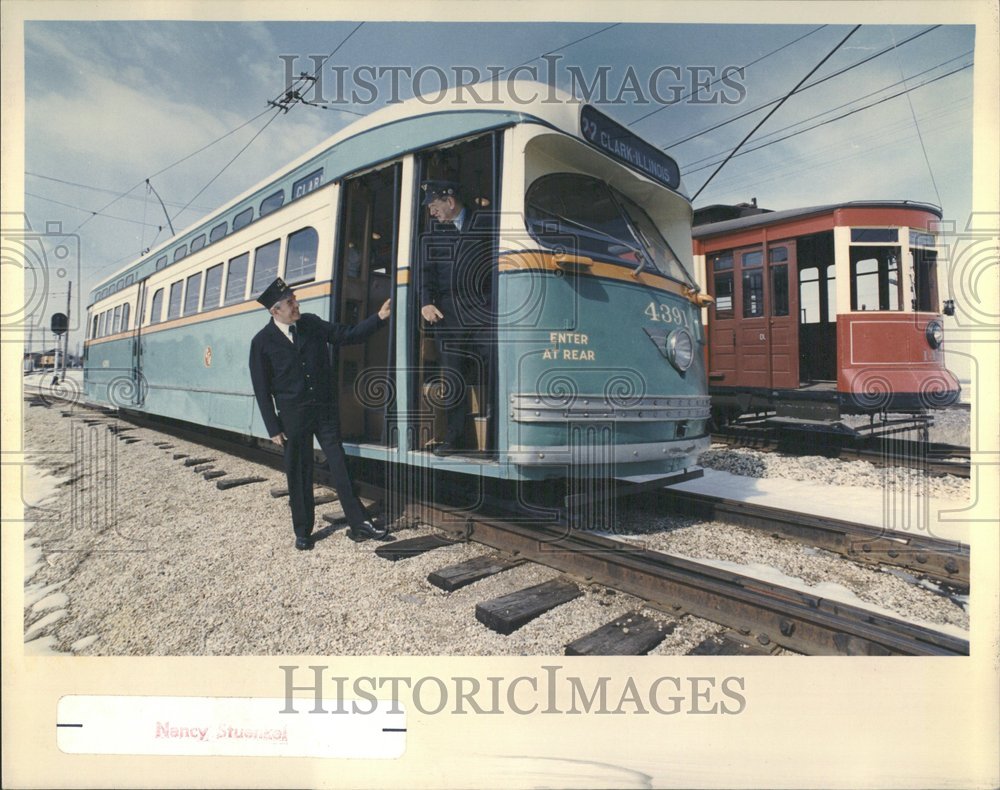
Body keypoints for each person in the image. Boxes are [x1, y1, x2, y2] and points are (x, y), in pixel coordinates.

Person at [249, 277, 390, 550]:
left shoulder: (311, 324)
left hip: (324, 411)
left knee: (340, 465)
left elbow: (346, 335)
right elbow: (261, 388)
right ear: (274, 311)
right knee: (299, 472)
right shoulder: (262, 342)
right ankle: (303, 531)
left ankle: (359, 524)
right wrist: (273, 426)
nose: (296, 304)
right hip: (293, 419)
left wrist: (379, 318)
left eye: (294, 300)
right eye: (290, 303)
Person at [418, 179, 493, 456]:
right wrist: (426, 302)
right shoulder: (432, 233)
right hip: (447, 313)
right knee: (452, 375)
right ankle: (454, 438)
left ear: (450, 202)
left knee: (495, 366)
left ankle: (496, 437)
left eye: (434, 206)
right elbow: (424, 274)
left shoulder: (485, 223)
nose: (432, 213)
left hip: (482, 308)